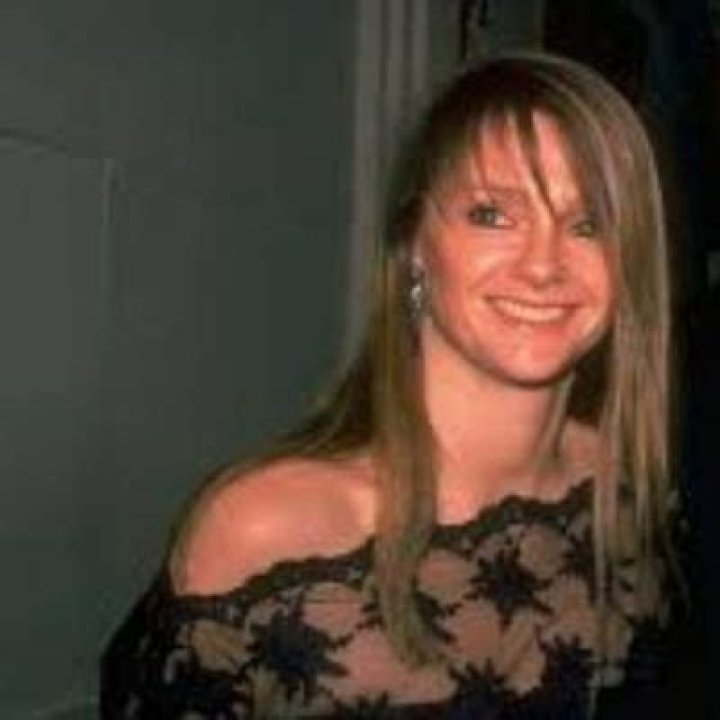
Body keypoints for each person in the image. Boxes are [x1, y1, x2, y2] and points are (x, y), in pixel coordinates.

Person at [101, 52, 685, 718]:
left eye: (588, 226)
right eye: (492, 215)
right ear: (414, 246)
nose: (543, 266)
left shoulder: (629, 494)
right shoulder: (265, 532)